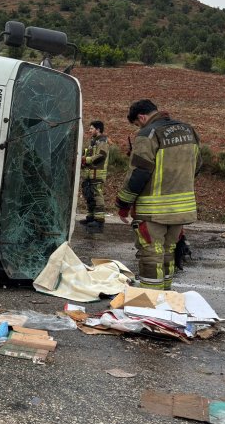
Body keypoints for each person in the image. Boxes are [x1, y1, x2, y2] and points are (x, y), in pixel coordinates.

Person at [116, 99, 200, 290]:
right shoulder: (188, 130)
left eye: (137, 124)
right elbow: (198, 165)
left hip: (153, 210)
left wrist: (123, 203)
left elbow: (139, 173)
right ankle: (166, 296)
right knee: (169, 251)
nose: (139, 127)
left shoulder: (148, 134)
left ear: (142, 117)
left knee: (151, 254)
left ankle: (151, 300)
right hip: (182, 208)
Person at [79, 120, 109, 232]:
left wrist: (85, 160)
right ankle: (91, 218)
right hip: (89, 174)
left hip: (97, 174)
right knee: (89, 196)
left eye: (92, 128)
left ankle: (99, 221)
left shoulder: (102, 141)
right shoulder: (93, 141)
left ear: (98, 129)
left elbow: (101, 155)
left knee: (97, 197)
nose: (90, 130)